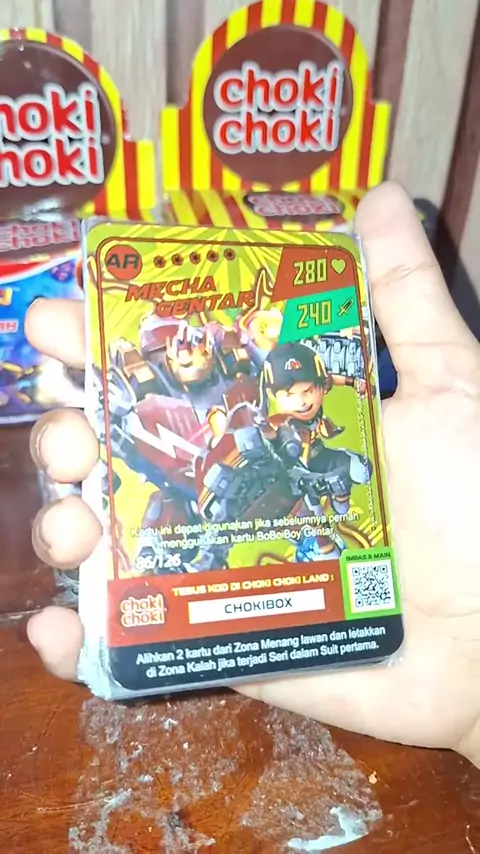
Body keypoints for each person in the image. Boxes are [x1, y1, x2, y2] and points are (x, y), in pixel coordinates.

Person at [24, 182, 480, 769]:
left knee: (287, 471)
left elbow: (288, 384)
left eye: (197, 340)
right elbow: (136, 444)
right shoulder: (146, 389)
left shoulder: (246, 371)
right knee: (158, 526)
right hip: (192, 496)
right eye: (178, 344)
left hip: (271, 475)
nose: (189, 350)